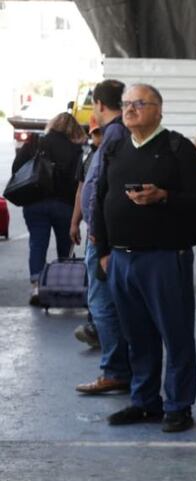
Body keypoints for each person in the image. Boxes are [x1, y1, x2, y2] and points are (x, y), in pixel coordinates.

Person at [93, 83, 196, 432]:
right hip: (121, 260)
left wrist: (163, 196)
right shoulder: (115, 148)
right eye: (126, 104)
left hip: (164, 258)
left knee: (175, 336)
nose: (129, 109)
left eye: (139, 104)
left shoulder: (178, 148)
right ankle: (145, 402)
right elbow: (101, 200)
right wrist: (102, 251)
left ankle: (178, 405)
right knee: (137, 336)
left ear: (158, 109)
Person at [70, 79, 133, 396]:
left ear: (98, 104)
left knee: (103, 303)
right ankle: (122, 367)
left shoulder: (115, 135)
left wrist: (98, 236)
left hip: (104, 238)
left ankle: (116, 370)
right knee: (110, 302)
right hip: (104, 234)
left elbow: (104, 189)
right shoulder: (115, 135)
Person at [12, 112, 86, 305]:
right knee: (65, 244)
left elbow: (16, 168)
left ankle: (37, 286)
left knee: (37, 243)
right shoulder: (75, 149)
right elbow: (78, 181)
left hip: (35, 202)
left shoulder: (35, 142)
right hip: (64, 204)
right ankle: (63, 284)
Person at [72, 118, 104, 350]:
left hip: (107, 233)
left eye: (100, 133)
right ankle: (97, 327)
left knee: (102, 285)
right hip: (94, 231)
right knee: (96, 283)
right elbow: (81, 191)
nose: (97, 138)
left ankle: (101, 329)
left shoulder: (116, 155)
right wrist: (75, 222)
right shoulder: (89, 158)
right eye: (94, 134)